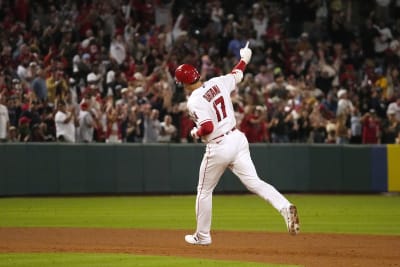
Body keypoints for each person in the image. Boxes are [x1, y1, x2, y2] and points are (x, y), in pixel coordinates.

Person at [174, 42, 300, 246]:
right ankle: (285, 207)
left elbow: (206, 127)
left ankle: (203, 236)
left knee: (204, 191)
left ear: (184, 84)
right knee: (255, 182)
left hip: (219, 145)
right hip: (238, 139)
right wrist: (245, 58)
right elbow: (237, 74)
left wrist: (195, 132)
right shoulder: (218, 82)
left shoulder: (194, 101)